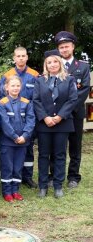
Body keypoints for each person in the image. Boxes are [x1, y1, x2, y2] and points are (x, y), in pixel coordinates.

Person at [33, 50, 77, 198]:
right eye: (49, 62)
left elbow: (72, 99)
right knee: (44, 155)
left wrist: (59, 116)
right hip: (44, 124)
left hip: (62, 123)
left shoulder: (69, 79)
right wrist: (45, 117)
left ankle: (58, 185)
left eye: (55, 62)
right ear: (46, 64)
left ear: (60, 63)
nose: (52, 65)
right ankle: (43, 186)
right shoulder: (40, 80)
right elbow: (36, 100)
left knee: (60, 155)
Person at [0, 47, 39, 189]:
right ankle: (12, 178)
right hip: (10, 119)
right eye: (18, 56)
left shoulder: (34, 75)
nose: (21, 58)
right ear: (14, 58)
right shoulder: (7, 75)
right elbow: (2, 96)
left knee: (27, 149)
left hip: (28, 118)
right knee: (12, 153)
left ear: (27, 57)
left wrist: (30, 119)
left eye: (23, 56)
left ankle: (27, 177)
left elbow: (37, 97)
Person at [54, 31, 91, 189]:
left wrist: (66, 110)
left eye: (66, 46)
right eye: (61, 47)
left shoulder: (82, 67)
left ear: (73, 47)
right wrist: (60, 112)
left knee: (75, 146)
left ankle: (74, 176)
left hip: (74, 113)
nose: (64, 49)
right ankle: (54, 175)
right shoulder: (53, 65)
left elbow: (83, 91)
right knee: (56, 146)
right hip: (57, 114)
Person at [0, 76, 35, 202]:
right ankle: (7, 191)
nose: (15, 88)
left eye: (17, 86)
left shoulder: (26, 102)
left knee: (18, 167)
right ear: (6, 87)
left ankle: (15, 190)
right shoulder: (2, 103)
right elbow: (4, 123)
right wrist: (14, 136)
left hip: (23, 142)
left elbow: (31, 121)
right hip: (8, 142)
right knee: (7, 166)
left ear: (21, 87)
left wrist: (24, 136)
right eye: (12, 86)